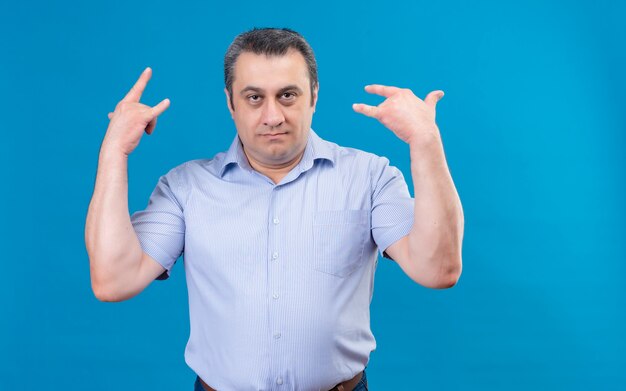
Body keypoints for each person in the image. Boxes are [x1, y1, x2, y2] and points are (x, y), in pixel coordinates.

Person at [85, 28, 464, 391]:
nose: (272, 116)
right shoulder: (186, 187)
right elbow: (113, 280)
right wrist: (113, 151)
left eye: (287, 96)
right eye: (254, 98)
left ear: (313, 95)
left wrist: (425, 141)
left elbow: (438, 269)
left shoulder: (369, 177)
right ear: (230, 103)